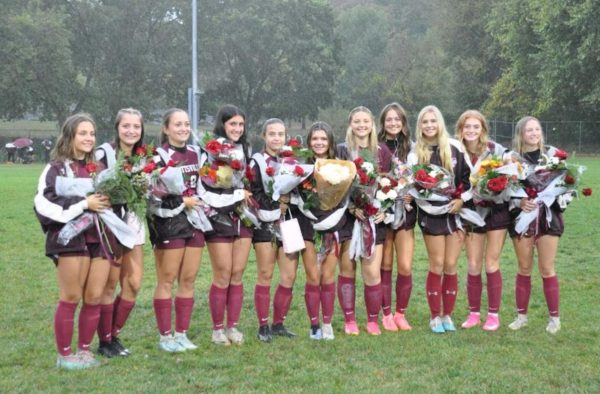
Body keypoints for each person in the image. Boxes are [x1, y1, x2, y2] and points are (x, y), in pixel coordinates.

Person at [34, 113, 115, 369]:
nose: (89, 138)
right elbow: (43, 204)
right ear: (69, 135)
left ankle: (84, 351)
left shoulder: (99, 168)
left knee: (94, 296)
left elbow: (108, 200)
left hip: (99, 238)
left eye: (91, 133)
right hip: (70, 240)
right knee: (71, 296)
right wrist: (84, 204)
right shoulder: (55, 168)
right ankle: (65, 355)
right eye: (83, 133)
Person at [148, 108, 204, 352]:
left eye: (186, 124)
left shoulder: (196, 152)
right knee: (166, 279)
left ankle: (182, 333)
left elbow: (204, 184)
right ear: (166, 128)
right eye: (178, 124)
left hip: (196, 221)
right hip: (169, 223)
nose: (183, 128)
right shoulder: (158, 156)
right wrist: (181, 202)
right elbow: (151, 195)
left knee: (189, 279)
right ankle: (165, 336)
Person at [94, 108, 147, 356]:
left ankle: (114, 334)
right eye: (126, 126)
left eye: (136, 127)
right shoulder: (104, 152)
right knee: (109, 285)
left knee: (134, 282)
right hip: (110, 222)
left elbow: (147, 188)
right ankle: (105, 341)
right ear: (117, 128)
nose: (131, 131)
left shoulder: (143, 156)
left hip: (134, 218)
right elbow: (94, 185)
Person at [199, 104, 253, 346]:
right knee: (222, 273)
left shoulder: (247, 147)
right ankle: (217, 329)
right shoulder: (210, 150)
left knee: (237, 273)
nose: (237, 129)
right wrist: (233, 195)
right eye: (233, 124)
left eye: (241, 124)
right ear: (223, 124)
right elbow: (204, 184)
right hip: (218, 214)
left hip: (243, 214)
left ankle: (233, 326)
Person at [414, 105, 471, 334]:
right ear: (420, 125)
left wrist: (461, 201)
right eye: (425, 122)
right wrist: (429, 203)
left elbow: (469, 182)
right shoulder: (415, 152)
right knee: (436, 265)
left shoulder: (456, 147)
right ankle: (434, 316)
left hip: (455, 214)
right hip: (431, 215)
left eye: (433, 121)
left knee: (450, 266)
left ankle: (448, 314)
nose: (429, 125)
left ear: (440, 123)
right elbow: (412, 185)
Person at [336, 106, 392, 335]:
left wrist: (384, 208)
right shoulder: (341, 151)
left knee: (372, 271)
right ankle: (350, 320)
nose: (361, 125)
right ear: (350, 123)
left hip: (372, 218)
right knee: (347, 269)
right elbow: (333, 185)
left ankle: (372, 320)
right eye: (357, 121)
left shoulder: (382, 151)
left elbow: (390, 185)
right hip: (348, 219)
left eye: (365, 121)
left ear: (372, 124)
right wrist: (350, 206)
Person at [508, 116, 563, 334]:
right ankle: (521, 316)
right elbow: (504, 190)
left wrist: (552, 197)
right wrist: (520, 200)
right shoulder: (511, 159)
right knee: (524, 267)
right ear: (521, 134)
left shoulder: (553, 156)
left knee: (547, 268)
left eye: (536, 129)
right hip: (523, 217)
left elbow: (564, 186)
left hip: (548, 217)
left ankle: (554, 319)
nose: (533, 133)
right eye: (528, 130)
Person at [455, 110, 509, 331]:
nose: (471, 131)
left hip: (497, 211)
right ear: (460, 129)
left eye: (476, 127)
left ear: (483, 129)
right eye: (467, 127)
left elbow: (511, 177)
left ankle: (493, 315)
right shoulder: (456, 151)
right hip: (470, 212)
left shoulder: (496, 150)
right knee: (474, 263)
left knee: (491, 263)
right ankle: (474, 312)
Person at [250, 118, 301, 342]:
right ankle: (263, 326)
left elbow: (301, 189)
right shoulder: (257, 161)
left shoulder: (292, 161)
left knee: (289, 275)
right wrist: (274, 204)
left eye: (280, 134)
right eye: (272, 134)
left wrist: (290, 198)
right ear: (264, 136)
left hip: (289, 221)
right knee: (266, 273)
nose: (277, 138)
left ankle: (279, 323)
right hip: (265, 223)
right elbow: (253, 194)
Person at [296, 121, 346, 340]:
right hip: (307, 225)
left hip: (334, 224)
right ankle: (314, 324)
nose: (319, 142)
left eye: (323, 139)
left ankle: (327, 323)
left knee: (327, 275)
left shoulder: (341, 167)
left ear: (330, 142)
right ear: (309, 142)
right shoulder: (299, 167)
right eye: (315, 138)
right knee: (313, 275)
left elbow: (346, 194)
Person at [378, 103, 416, 331]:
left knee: (405, 265)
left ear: (403, 122)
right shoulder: (377, 147)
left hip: (406, 213)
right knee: (386, 263)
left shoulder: (412, 148)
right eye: (388, 119)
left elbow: (421, 179)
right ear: (383, 123)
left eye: (397, 119)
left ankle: (401, 313)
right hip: (383, 212)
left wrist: (412, 194)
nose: (393, 123)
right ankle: (386, 314)